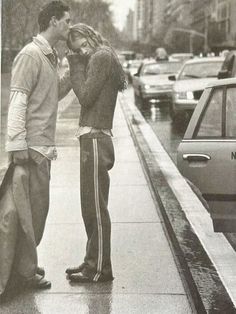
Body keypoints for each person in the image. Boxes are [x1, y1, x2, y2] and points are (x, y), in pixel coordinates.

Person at [1, 0, 71, 293]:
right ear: (54, 21)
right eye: (67, 21)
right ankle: (22, 274)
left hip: (42, 149)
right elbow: (17, 100)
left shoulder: (49, 56)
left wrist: (75, 70)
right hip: (31, 150)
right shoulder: (31, 55)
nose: (69, 26)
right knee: (25, 216)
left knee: (35, 215)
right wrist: (17, 146)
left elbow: (55, 93)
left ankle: (24, 267)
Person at [65, 23, 126, 283]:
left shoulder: (101, 57)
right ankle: (93, 261)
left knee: (96, 207)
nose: (80, 48)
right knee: (90, 205)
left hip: (95, 137)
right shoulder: (101, 56)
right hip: (93, 136)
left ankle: (99, 268)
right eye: (75, 47)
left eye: (80, 42)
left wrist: (76, 66)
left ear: (90, 34)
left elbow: (86, 97)